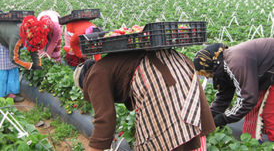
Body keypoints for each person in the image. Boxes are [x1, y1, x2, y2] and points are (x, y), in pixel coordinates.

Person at [74, 49, 216, 151]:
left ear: (84, 83)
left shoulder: (94, 76)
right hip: (179, 66)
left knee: (160, 139)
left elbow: (105, 119)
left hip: (159, 77)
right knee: (187, 132)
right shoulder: (110, 65)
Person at [193, 38, 274, 142]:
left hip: (270, 69)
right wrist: (211, 115)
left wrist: (223, 118)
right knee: (255, 111)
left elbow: (248, 100)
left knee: (269, 114)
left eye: (206, 73)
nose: (208, 77)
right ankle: (255, 141)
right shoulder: (222, 66)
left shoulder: (235, 63)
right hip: (265, 72)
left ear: (211, 65)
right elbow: (224, 96)